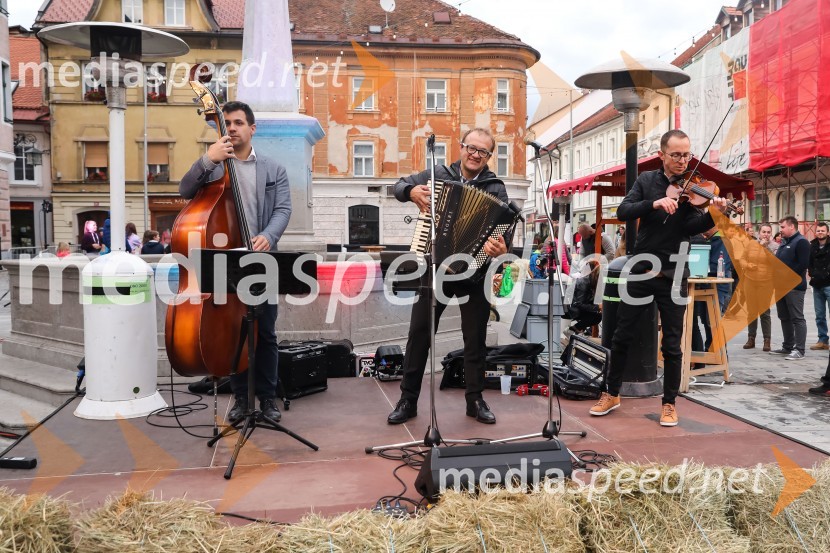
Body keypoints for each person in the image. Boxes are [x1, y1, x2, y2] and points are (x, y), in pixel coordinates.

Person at [589, 129, 727, 427]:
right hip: (642, 269)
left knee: (673, 343)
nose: (682, 161)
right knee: (621, 335)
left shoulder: (694, 189)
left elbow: (694, 226)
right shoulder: (647, 181)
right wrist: (653, 204)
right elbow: (625, 210)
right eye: (676, 155)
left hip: (675, 273)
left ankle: (669, 403)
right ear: (662, 155)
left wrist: (715, 214)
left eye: (687, 155)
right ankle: (611, 393)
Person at [179, 101, 292, 423]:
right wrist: (206, 159)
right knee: (233, 334)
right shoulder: (213, 166)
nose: (231, 127)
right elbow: (185, 190)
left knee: (266, 333)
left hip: (261, 260)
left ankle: (268, 398)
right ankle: (242, 399)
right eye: (226, 122)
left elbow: (282, 210)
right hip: (225, 260)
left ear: (251, 128)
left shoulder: (274, 169)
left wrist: (269, 236)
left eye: (238, 122)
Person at [387, 128, 509, 425]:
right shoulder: (437, 173)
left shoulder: (496, 189)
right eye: (471, 148)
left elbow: (505, 236)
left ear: (489, 156)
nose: (475, 154)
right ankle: (408, 399)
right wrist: (411, 191)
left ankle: (475, 400)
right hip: (435, 269)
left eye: (483, 151)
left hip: (474, 274)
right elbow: (397, 186)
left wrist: (501, 249)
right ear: (461, 147)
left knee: (475, 339)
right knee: (419, 334)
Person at [770, 216, 810, 360]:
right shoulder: (784, 242)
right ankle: (787, 346)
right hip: (780, 286)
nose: (780, 230)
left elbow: (803, 265)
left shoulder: (801, 242)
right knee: (784, 317)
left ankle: (799, 350)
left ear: (791, 226)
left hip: (794, 287)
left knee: (797, 318)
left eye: (782, 227)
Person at [743, 223, 778, 351]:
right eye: (764, 232)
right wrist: (747, 265)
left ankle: (767, 340)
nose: (766, 235)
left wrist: (765, 248)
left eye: (768, 232)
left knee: (764, 312)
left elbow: (775, 262)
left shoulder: (775, 246)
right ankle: (751, 338)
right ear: (759, 233)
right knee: (751, 312)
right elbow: (742, 259)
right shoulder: (751, 244)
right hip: (750, 281)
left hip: (766, 282)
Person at [808, 222, 830, 350]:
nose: (820, 232)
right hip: (816, 285)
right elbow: (809, 262)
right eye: (818, 231)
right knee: (819, 315)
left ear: (827, 232)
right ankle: (823, 340)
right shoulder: (812, 245)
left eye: (823, 231)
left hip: (829, 284)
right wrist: (812, 273)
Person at [565, 259, 602, 333]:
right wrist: (598, 307)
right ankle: (572, 330)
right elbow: (578, 304)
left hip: (575, 306)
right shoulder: (584, 283)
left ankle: (575, 330)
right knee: (593, 315)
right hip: (569, 308)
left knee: (597, 316)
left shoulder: (592, 282)